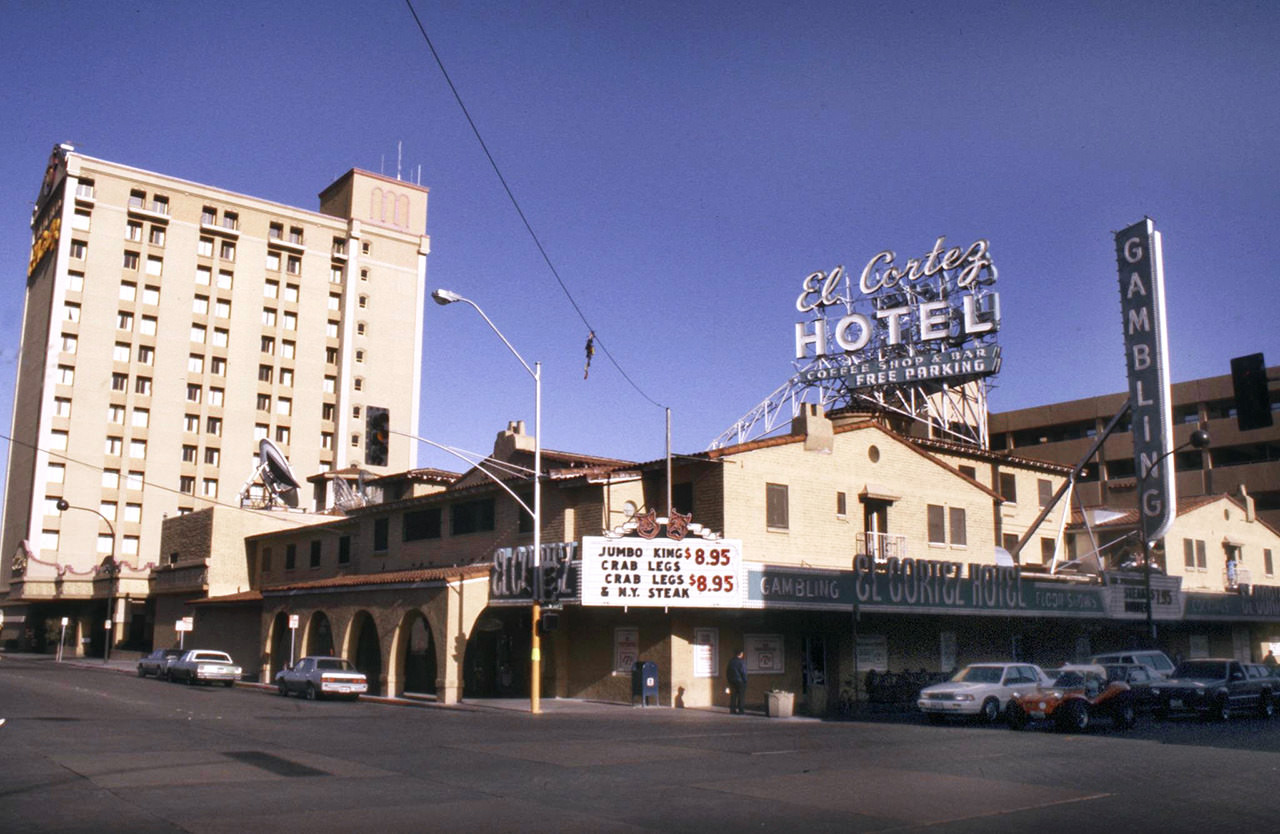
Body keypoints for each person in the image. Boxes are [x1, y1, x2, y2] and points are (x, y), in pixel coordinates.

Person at [726, 649, 748, 715]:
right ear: (741, 654)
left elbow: (727, 671)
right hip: (740, 681)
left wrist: (729, 679)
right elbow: (743, 672)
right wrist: (745, 680)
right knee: (741, 696)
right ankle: (741, 710)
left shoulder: (731, 661)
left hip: (732, 681)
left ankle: (732, 710)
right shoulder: (741, 662)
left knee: (733, 695)